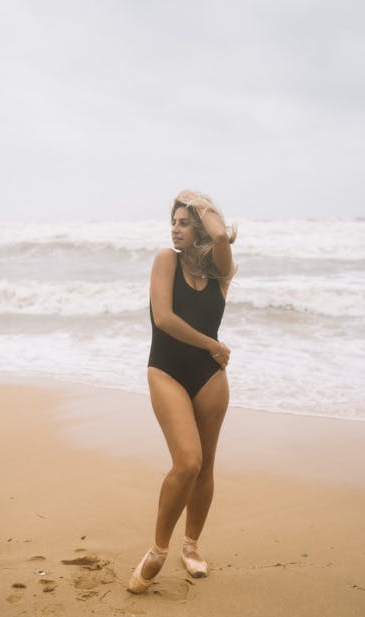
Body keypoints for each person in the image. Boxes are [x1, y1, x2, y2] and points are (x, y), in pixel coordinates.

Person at [128, 189, 237, 594]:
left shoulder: (221, 271)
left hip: (209, 378)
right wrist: (213, 345)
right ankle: (158, 549)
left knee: (206, 466)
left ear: (200, 228)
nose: (174, 229)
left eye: (183, 222)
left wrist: (200, 203)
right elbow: (165, 319)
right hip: (168, 370)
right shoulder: (164, 261)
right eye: (172, 222)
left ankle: (190, 547)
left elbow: (222, 239)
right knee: (187, 461)